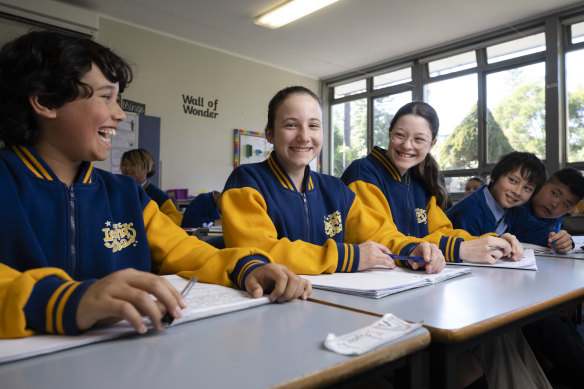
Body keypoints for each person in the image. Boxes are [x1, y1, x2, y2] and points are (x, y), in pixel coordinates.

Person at [0, 31, 310, 339]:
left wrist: (247, 267)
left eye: (118, 99)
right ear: (44, 101)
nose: (120, 114)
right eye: (106, 97)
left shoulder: (126, 194)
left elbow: (184, 249)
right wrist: (64, 302)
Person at [222, 86, 445, 278]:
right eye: (291, 125)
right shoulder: (246, 181)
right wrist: (348, 256)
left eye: (313, 125)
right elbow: (258, 251)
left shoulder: (334, 189)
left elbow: (379, 232)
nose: (304, 136)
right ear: (269, 134)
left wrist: (411, 249)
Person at [341, 102, 523, 265]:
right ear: (390, 134)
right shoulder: (363, 172)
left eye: (418, 139)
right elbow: (376, 237)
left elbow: (441, 231)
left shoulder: (420, 179)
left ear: (432, 143)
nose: (407, 145)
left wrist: (491, 241)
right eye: (400, 135)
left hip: (416, 276)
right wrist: (458, 249)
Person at [446, 151, 573, 252]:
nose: (517, 192)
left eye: (527, 188)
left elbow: (537, 231)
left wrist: (562, 240)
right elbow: (466, 253)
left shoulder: (514, 210)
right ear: (494, 177)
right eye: (513, 180)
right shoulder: (470, 211)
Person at [120, 148, 183, 226]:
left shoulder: (158, 195)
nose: (127, 168)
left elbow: (176, 218)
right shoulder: (119, 190)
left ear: (147, 168)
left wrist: (152, 224)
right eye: (124, 164)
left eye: (133, 164)